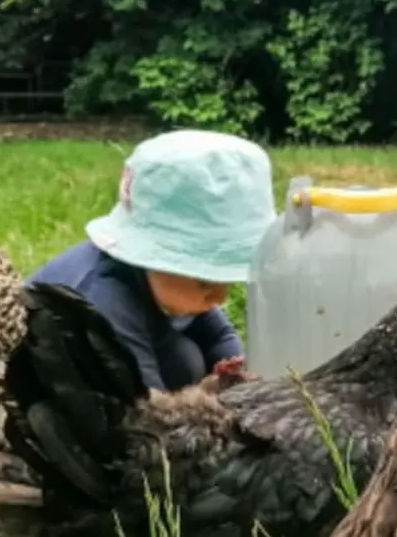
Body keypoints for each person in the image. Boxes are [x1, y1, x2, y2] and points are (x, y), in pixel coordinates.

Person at [28, 129, 276, 391]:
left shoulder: (169, 285)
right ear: (156, 260)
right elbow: (147, 410)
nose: (219, 297)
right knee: (182, 361)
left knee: (186, 355)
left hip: (141, 351)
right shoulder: (107, 299)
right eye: (205, 280)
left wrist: (238, 379)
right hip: (69, 382)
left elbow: (219, 337)